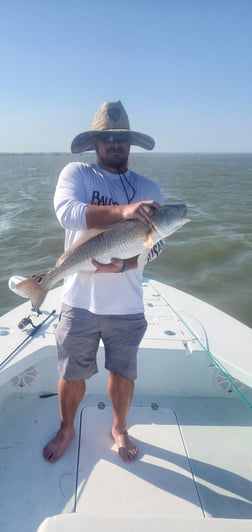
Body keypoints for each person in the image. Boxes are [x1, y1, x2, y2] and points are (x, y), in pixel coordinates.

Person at [43, 100, 164, 464]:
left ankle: (119, 427)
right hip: (78, 301)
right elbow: (69, 214)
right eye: (108, 137)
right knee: (70, 373)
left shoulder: (149, 186)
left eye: (122, 137)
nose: (115, 143)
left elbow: (157, 245)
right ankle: (67, 428)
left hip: (126, 304)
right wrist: (125, 211)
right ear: (95, 142)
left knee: (123, 375)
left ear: (130, 143)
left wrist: (126, 265)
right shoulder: (77, 174)